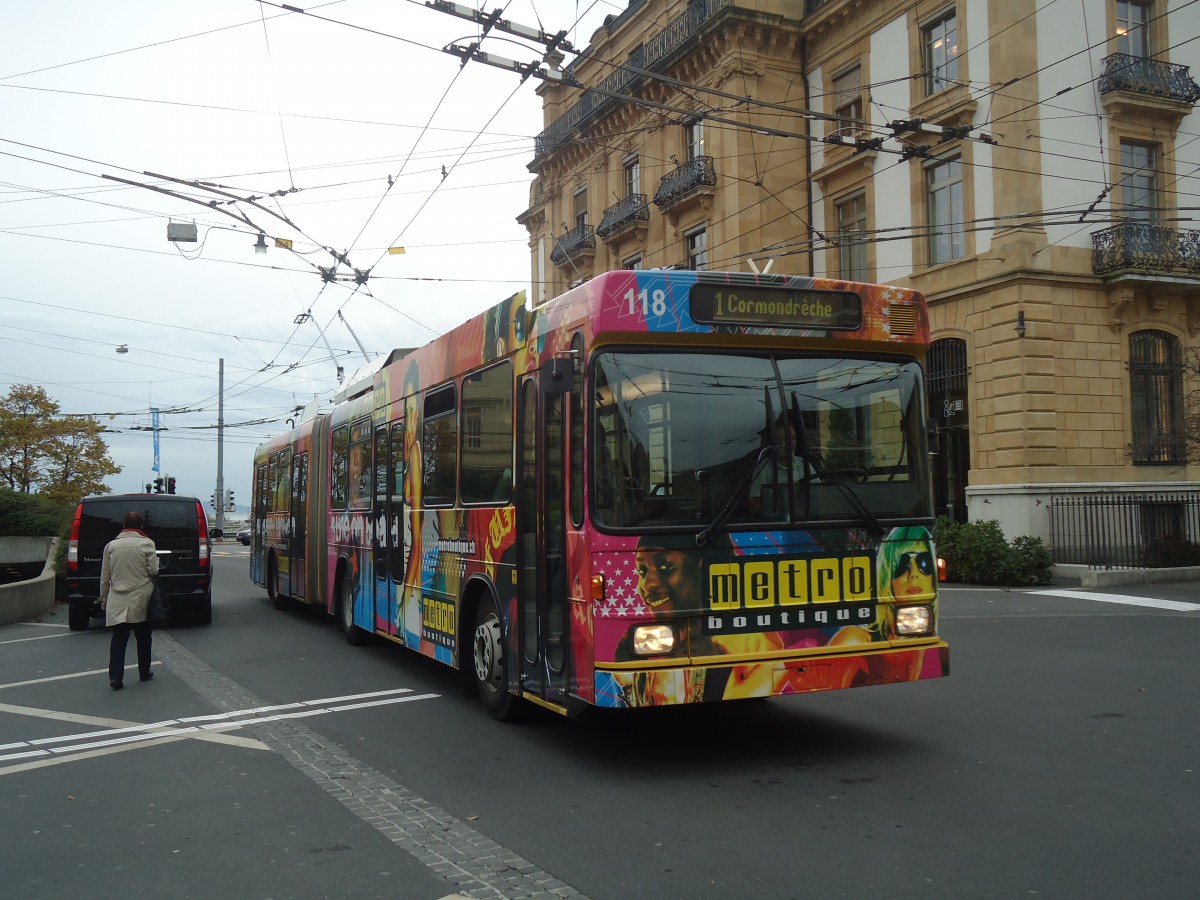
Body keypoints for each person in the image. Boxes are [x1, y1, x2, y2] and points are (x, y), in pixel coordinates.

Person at [99, 510, 159, 689]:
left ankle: (115, 677)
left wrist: (103, 598)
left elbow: (105, 575)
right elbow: (154, 570)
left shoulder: (111, 546)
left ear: (124, 526)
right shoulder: (147, 544)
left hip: (117, 595)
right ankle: (144, 671)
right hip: (141, 595)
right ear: (141, 526)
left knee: (119, 637)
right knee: (143, 635)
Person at [748, 423, 806, 516]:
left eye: (793, 438)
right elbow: (754, 504)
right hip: (777, 522)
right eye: (785, 438)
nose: (790, 442)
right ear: (775, 442)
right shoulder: (765, 467)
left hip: (807, 519)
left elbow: (820, 495)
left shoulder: (804, 464)